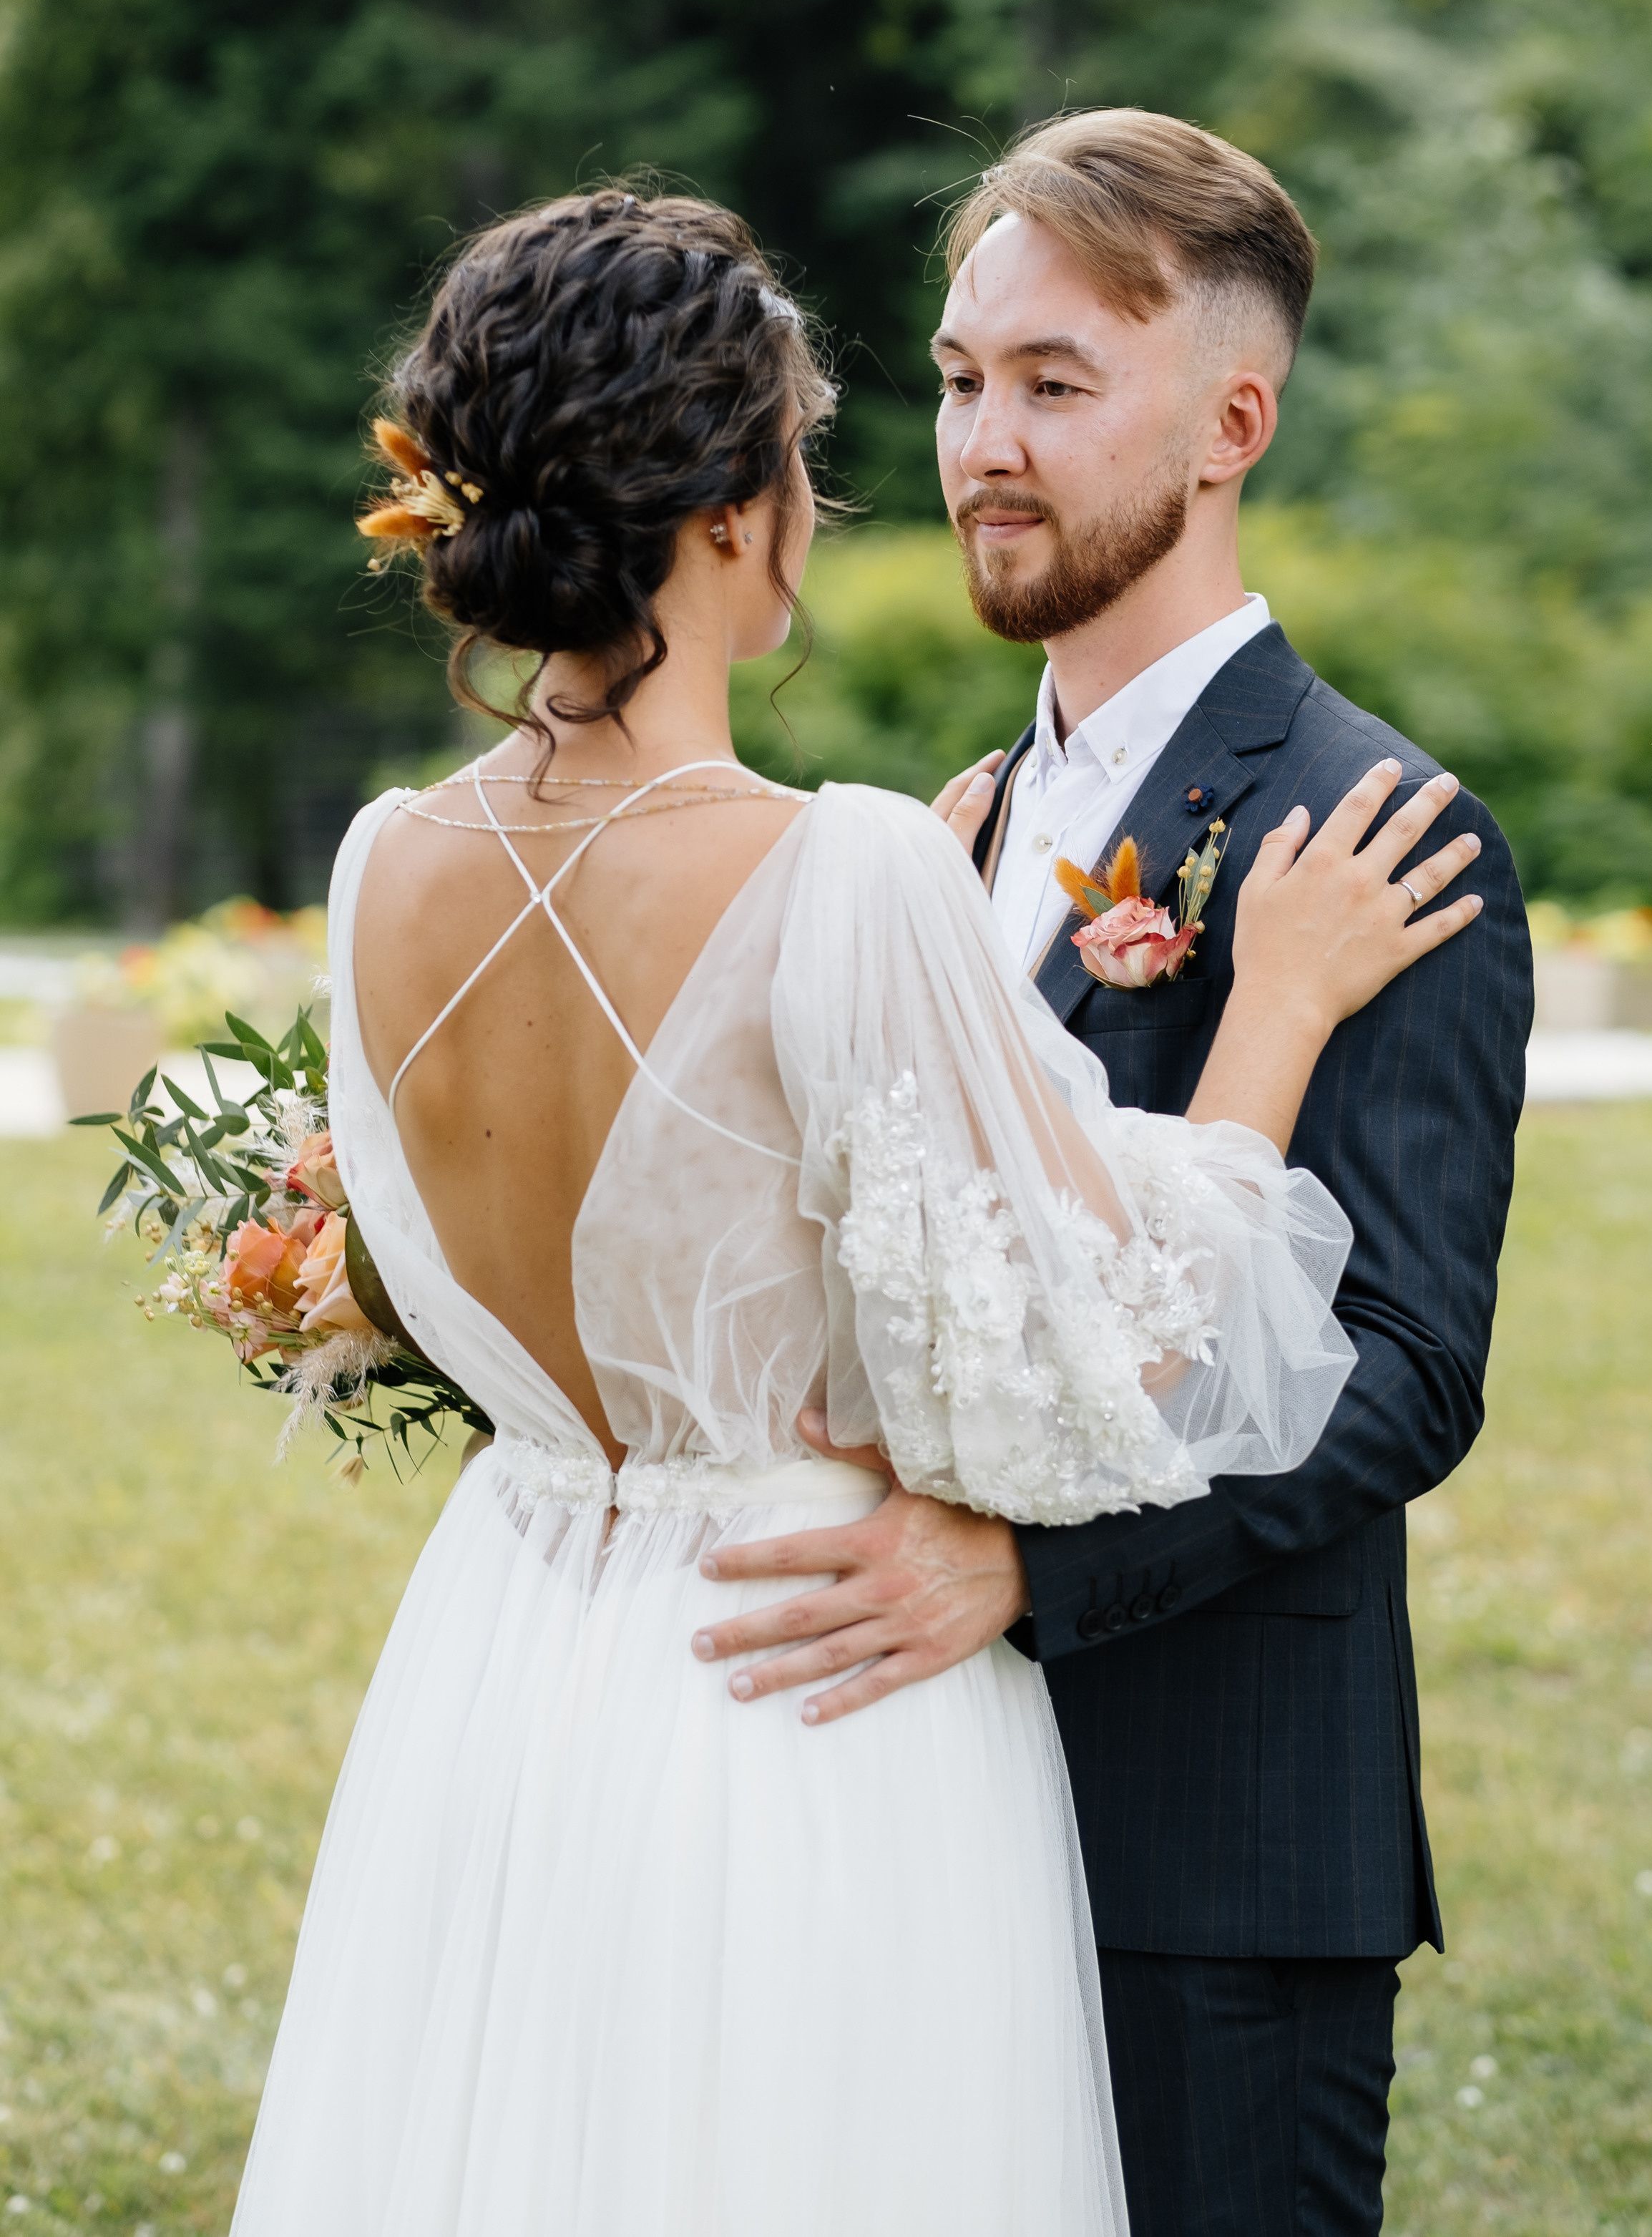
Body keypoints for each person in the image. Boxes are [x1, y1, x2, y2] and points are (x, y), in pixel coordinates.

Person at [228, 188, 1483, 2237]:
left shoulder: (384, 867)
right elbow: (1119, 1344)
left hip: (515, 1686)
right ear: (735, 510)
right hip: (805, 1715)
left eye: (1041, 382)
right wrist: (1269, 1015)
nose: (928, 455)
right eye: (845, 435)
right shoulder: (856, 866)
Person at [700, 114, 1533, 2237]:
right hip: (924, 1808)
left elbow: (1403, 1367)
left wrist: (1028, 1572)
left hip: (1212, 1846)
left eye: (1056, 384)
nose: (983, 443)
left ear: (1231, 422)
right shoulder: (962, 828)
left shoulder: (1381, 831)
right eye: (962, 377)